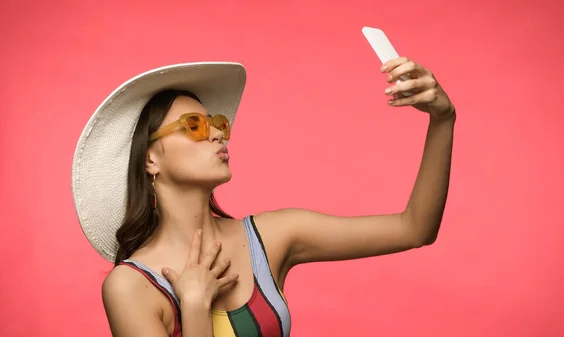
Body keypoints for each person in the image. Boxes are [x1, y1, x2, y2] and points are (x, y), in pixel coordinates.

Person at [71, 57, 455, 337]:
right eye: (194, 126)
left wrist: (442, 119)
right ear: (151, 158)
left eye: (218, 124)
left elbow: (414, 228)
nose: (219, 134)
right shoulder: (131, 287)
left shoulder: (271, 237)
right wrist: (193, 305)